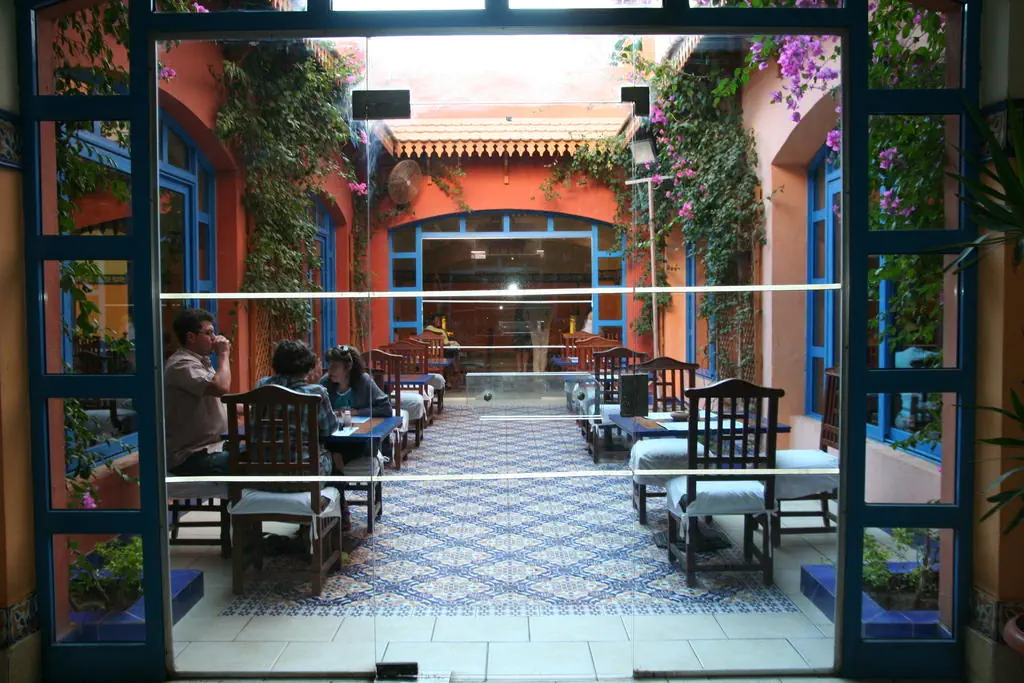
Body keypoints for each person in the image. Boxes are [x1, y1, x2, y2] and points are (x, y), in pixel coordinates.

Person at [254, 340, 338, 477]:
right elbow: (329, 429)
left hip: (261, 472)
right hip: (302, 473)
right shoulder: (316, 392)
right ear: (307, 367)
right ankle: (334, 491)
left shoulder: (261, 386)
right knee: (331, 457)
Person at [164, 308, 232, 476]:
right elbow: (221, 388)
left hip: (213, 447)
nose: (214, 338)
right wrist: (223, 355)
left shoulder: (200, 362)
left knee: (260, 453)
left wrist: (254, 409)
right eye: (208, 333)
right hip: (191, 456)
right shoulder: (182, 365)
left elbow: (220, 400)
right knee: (250, 462)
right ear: (191, 337)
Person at [320, 344, 395, 465]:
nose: (330, 371)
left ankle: (339, 461)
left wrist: (356, 412)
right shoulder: (325, 383)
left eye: (335, 366)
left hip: (359, 437)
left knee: (363, 446)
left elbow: (386, 409)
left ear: (348, 366)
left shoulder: (364, 381)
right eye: (329, 366)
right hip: (334, 436)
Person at [513, 305, 531, 372]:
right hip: (520, 333)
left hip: (524, 333)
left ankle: (522, 368)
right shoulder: (520, 310)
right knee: (521, 351)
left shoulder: (526, 310)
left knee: (523, 351)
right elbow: (515, 322)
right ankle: (521, 368)